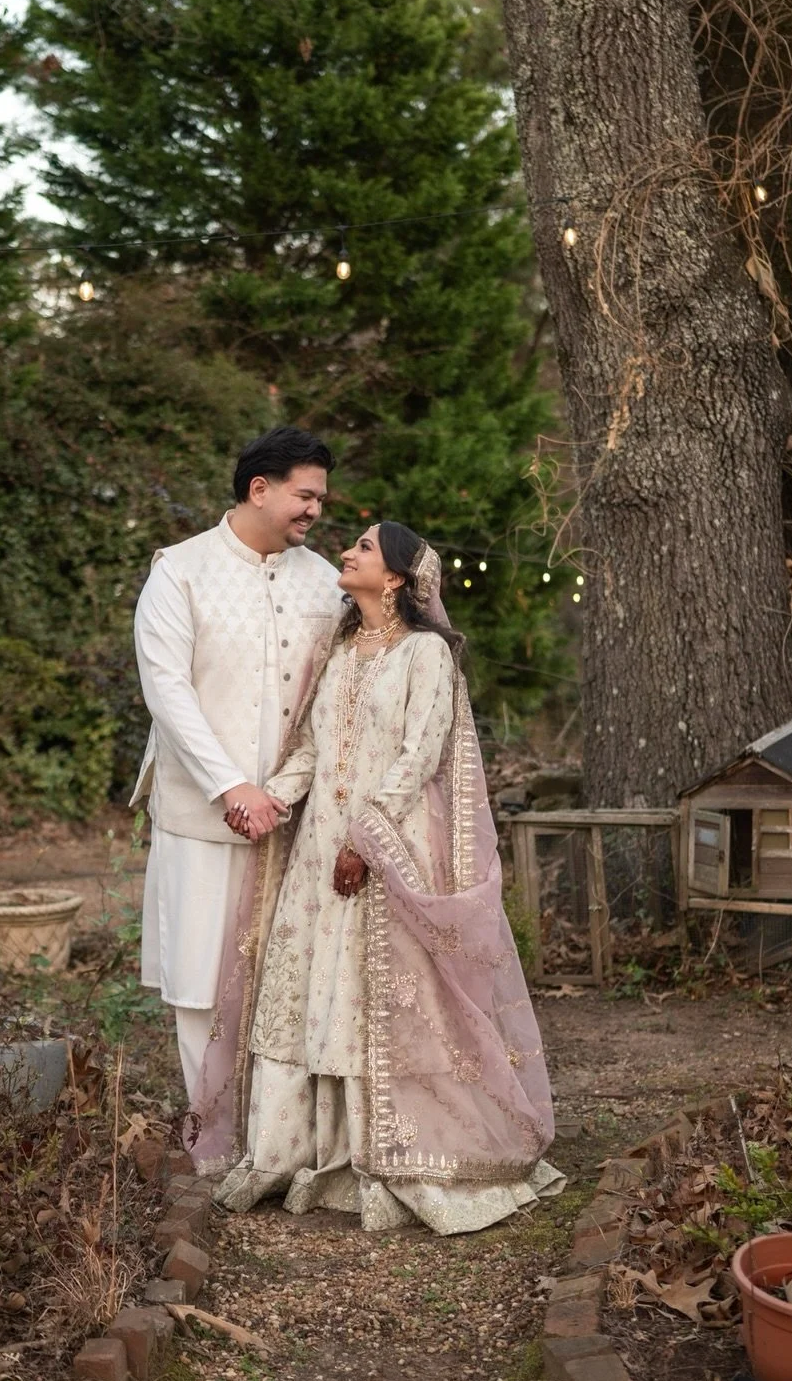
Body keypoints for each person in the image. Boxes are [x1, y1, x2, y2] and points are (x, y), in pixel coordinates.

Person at [208, 521, 561, 1233]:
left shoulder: (425, 655)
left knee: (373, 1000)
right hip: (317, 854)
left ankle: (384, 1154)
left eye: (364, 547)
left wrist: (366, 842)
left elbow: (419, 754)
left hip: (385, 852)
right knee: (310, 987)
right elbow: (314, 749)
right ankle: (300, 1153)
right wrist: (270, 801)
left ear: (396, 578)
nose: (347, 552)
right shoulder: (339, 650)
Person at [131, 426, 344, 1105]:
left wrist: (290, 790)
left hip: (299, 818)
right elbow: (166, 689)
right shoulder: (180, 572)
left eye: (320, 499)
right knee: (202, 978)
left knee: (293, 974)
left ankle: (281, 1132)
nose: (315, 510)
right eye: (305, 496)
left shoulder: (325, 583)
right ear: (260, 489)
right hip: (201, 813)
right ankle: (211, 1128)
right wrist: (231, 786)